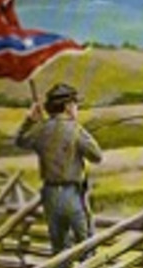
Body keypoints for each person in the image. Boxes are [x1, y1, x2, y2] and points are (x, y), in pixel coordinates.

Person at [15, 81, 102, 253]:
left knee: (59, 249)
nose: (77, 109)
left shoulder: (41, 129)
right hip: (72, 194)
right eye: (75, 104)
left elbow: (20, 141)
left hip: (50, 194)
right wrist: (80, 131)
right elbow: (96, 156)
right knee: (86, 246)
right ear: (68, 106)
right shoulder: (75, 129)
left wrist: (30, 120)